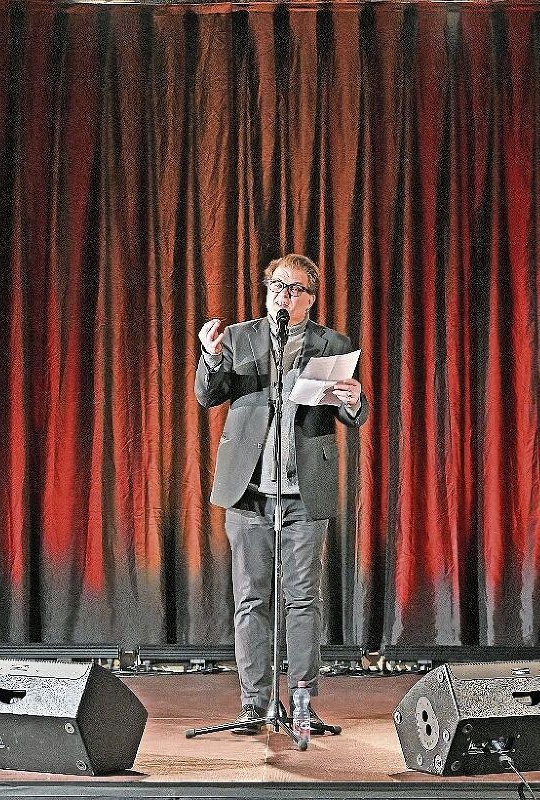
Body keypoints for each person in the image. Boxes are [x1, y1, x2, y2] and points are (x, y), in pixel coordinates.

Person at [195, 253, 368, 735]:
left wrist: (355, 402)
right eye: (276, 287)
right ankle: (254, 702)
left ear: (311, 298)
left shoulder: (331, 343)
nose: (283, 296)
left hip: (303, 494)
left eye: (293, 289)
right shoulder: (240, 337)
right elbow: (209, 395)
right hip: (249, 493)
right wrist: (210, 358)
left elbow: (351, 411)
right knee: (250, 600)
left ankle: (302, 701)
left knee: (302, 600)